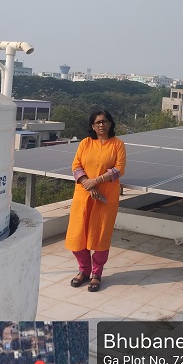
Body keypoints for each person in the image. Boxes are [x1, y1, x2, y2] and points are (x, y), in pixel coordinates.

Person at [65, 109, 126, 292]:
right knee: (77, 234)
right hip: (83, 196)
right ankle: (84, 270)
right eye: (98, 122)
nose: (101, 125)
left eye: (104, 121)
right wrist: (89, 185)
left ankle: (96, 274)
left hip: (106, 197)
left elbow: (119, 169)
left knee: (100, 235)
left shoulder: (117, 144)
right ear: (92, 126)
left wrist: (96, 181)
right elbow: (76, 166)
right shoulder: (85, 143)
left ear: (110, 123)